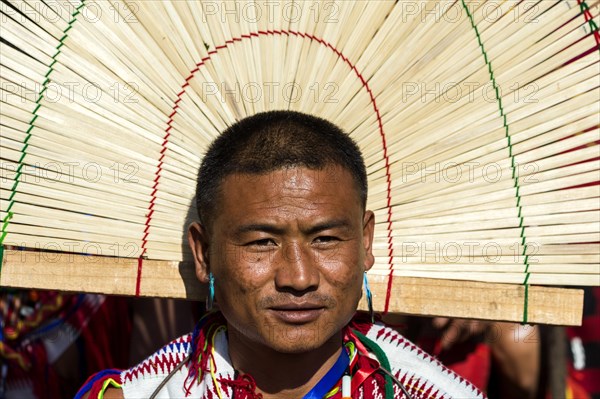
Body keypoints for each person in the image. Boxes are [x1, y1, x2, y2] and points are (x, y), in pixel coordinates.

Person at [76, 111, 485, 399]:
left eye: (325, 239)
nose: (298, 277)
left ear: (365, 243)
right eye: (261, 242)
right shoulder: (140, 394)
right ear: (203, 254)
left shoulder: (427, 391)